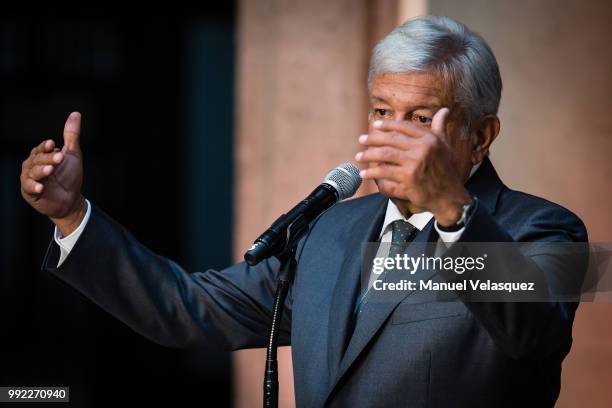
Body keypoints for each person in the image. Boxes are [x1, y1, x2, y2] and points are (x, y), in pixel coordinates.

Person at [19, 16, 587, 407]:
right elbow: (186, 310)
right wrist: (72, 217)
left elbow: (536, 335)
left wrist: (451, 207)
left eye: (421, 119)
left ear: (481, 136)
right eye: (383, 111)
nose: (393, 134)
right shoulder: (330, 232)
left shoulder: (547, 229)